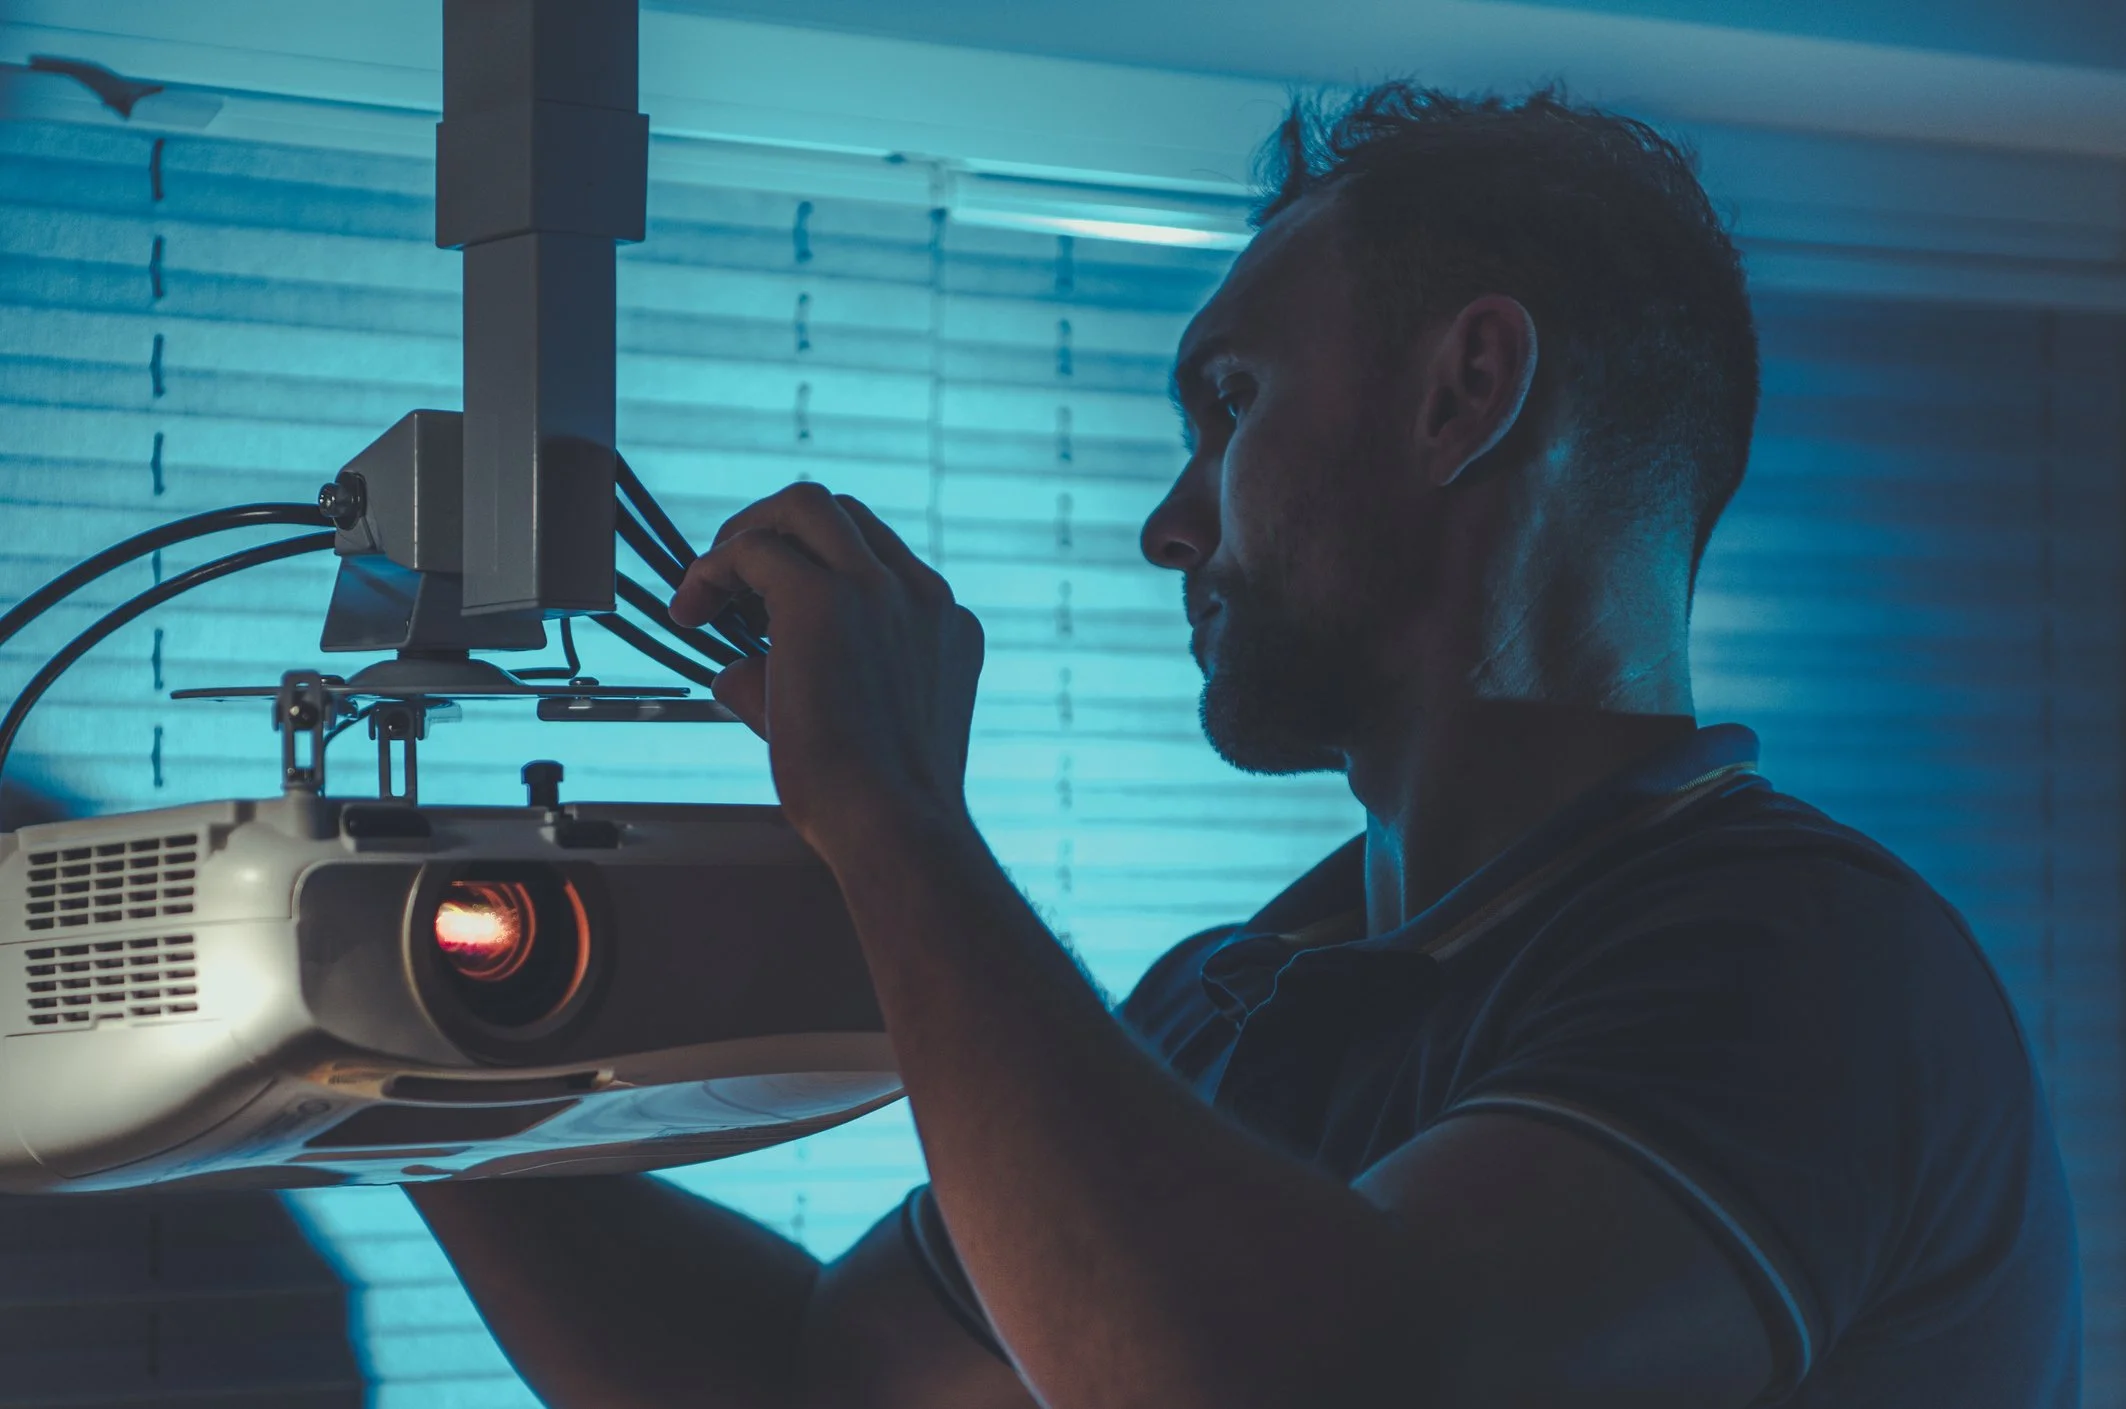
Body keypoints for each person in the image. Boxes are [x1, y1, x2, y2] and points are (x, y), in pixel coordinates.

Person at [409, 85, 2079, 1408]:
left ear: (1464, 391)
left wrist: (893, 817)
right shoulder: (1228, 1003)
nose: (1167, 522)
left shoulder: (1800, 968)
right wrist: (369, 1047)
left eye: (1230, 405)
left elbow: (1291, 1388)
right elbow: (807, 1385)